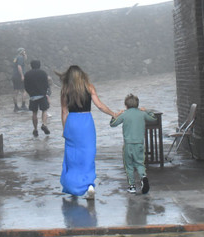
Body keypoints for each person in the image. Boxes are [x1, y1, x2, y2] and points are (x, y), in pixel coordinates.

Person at [58, 65, 118, 200]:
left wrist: (65, 129)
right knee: (88, 154)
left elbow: (64, 111)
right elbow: (100, 106)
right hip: (86, 123)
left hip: (72, 122)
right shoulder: (89, 87)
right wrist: (113, 114)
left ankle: (73, 185)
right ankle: (89, 184)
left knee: (72, 156)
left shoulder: (65, 90)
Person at [110, 94, 157, 194]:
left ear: (126, 105)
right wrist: (147, 110)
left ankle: (132, 186)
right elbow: (154, 118)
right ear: (137, 104)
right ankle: (143, 177)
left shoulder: (124, 114)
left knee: (129, 165)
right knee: (140, 163)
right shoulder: (142, 114)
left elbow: (112, 124)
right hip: (139, 144)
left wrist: (117, 114)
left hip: (128, 144)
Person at [24, 59, 51, 137]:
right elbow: (46, 84)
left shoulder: (27, 74)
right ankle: (44, 124)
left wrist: (30, 93)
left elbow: (26, 86)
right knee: (44, 110)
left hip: (33, 96)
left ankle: (35, 129)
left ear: (31, 65)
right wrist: (45, 93)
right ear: (39, 65)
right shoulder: (43, 73)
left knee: (34, 113)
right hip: (42, 95)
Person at [11, 48, 28, 112]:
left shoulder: (16, 58)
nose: (25, 52)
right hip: (19, 76)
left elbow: (25, 59)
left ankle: (16, 107)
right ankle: (23, 106)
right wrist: (22, 75)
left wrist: (24, 55)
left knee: (16, 91)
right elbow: (19, 66)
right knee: (24, 91)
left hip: (14, 76)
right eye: (24, 51)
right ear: (21, 52)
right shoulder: (20, 57)